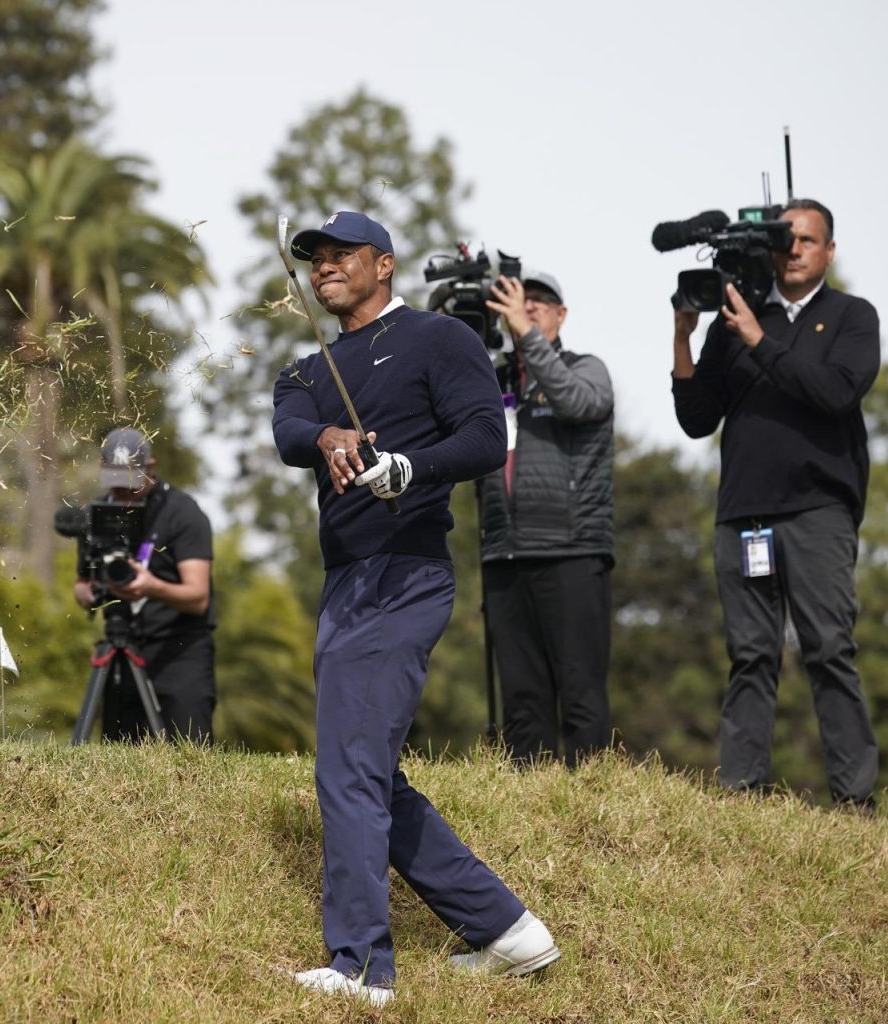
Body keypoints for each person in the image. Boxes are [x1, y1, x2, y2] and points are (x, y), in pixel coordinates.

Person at [272, 211, 559, 1007]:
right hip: (346, 583)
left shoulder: (438, 340)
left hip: (405, 575)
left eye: (341, 255)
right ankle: (508, 932)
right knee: (363, 772)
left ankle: (362, 968)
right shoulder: (307, 369)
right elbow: (287, 427)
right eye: (314, 258)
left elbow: (482, 437)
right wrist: (329, 432)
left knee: (349, 771)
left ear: (385, 264)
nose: (325, 266)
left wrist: (409, 467)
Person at [670, 198, 880, 808]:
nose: (794, 251)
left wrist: (761, 341)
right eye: (785, 240)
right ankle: (742, 793)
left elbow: (837, 391)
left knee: (830, 650)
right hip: (743, 514)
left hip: (818, 510)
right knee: (751, 653)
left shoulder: (850, 316)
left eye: (807, 241)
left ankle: (854, 800)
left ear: (829, 251)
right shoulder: (734, 319)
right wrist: (683, 338)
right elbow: (695, 419)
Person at [478, 269, 615, 766]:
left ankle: (595, 802)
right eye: (519, 300)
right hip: (504, 552)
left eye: (540, 300)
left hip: (572, 550)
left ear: (561, 314)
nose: (528, 306)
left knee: (580, 692)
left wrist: (527, 338)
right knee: (522, 699)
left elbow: (577, 401)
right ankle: (531, 806)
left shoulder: (586, 368)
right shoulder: (492, 380)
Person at [71, 427, 216, 744]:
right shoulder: (99, 514)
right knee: (121, 757)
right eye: (115, 483)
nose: (123, 493)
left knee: (189, 753)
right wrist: (91, 594)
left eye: (131, 484)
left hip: (179, 650)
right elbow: (82, 585)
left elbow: (198, 597)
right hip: (121, 645)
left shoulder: (182, 512)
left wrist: (151, 587)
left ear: (150, 467)